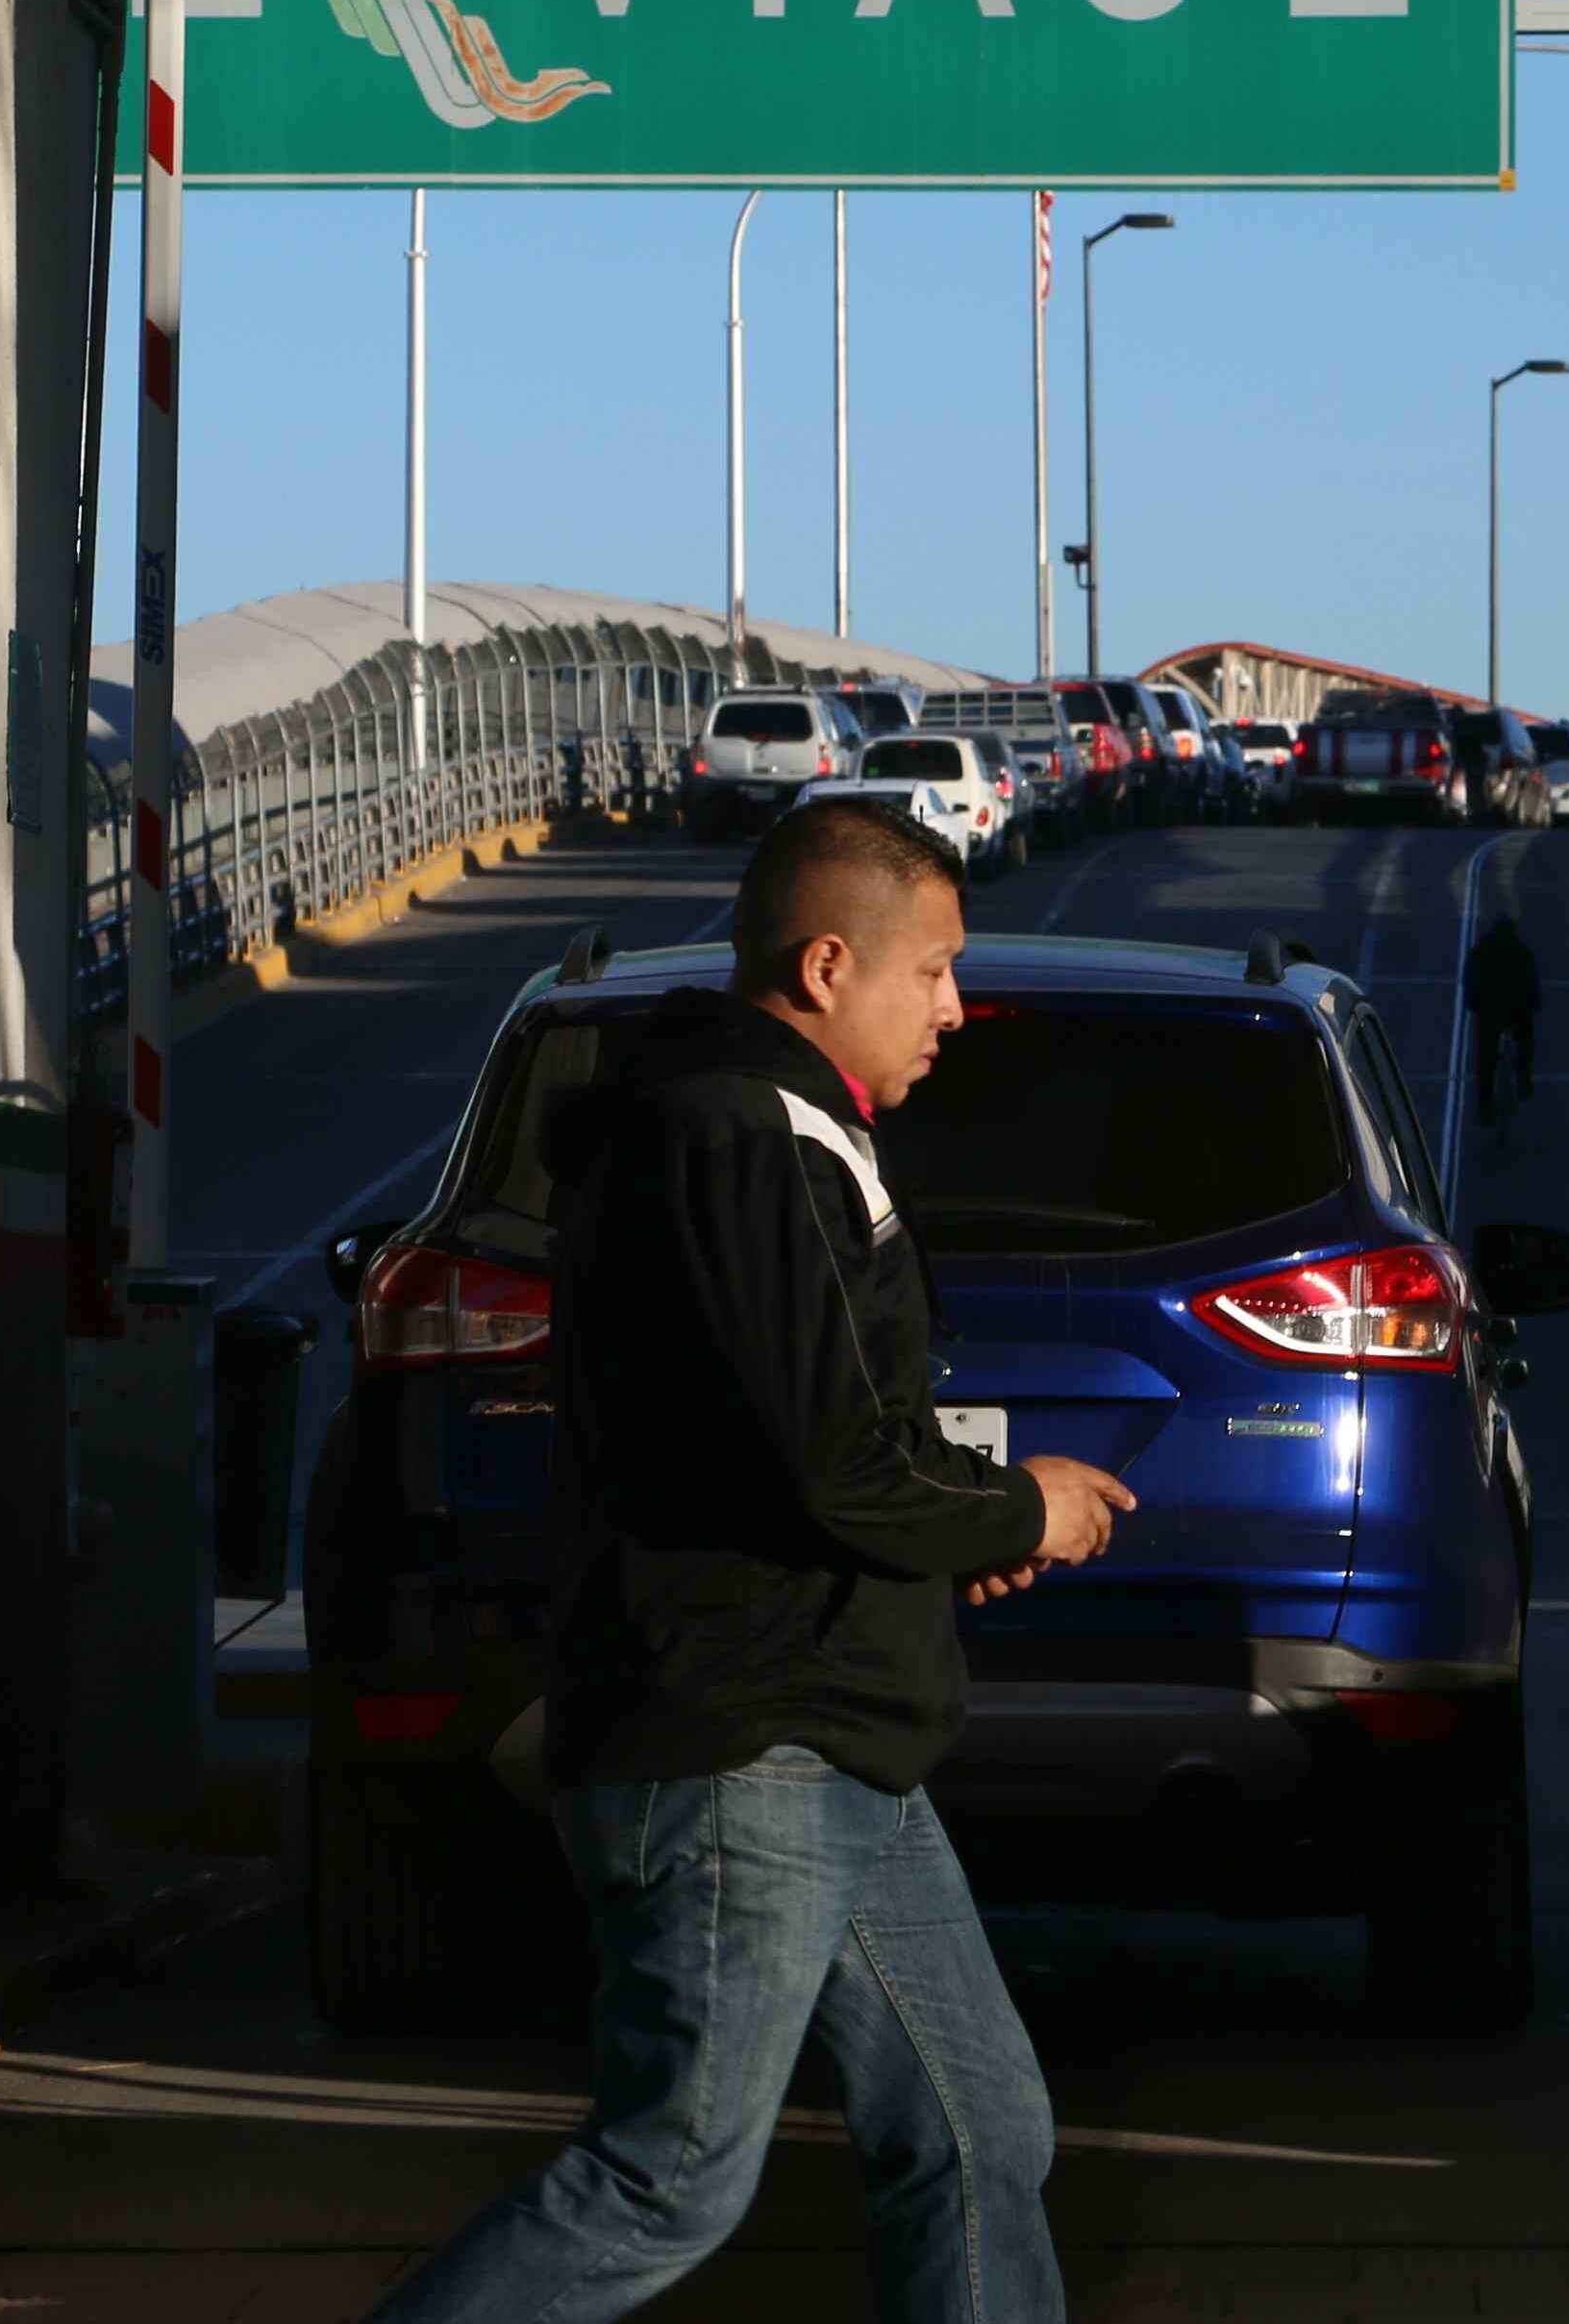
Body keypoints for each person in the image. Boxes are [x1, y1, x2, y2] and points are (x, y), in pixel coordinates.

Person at [371, 801, 1138, 2324]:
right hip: (746, 1744)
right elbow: (831, 1449)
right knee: (669, 2175)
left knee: (980, 2128)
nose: (955, 1009)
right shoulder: (739, 1132)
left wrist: (939, 1540)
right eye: (932, 972)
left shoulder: (770, 1126)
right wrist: (1015, 1510)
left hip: (827, 1730)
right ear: (828, 960)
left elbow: (812, 1434)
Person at [1463, 909, 1541, 1134]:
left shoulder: (1482, 949)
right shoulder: (1521, 951)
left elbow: (1470, 976)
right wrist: (1535, 1003)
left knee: (1485, 1060)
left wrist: (1472, 1001)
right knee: (1525, 1042)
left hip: (1489, 1011)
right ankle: (1523, 1079)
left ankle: (1485, 1107)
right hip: (1516, 1010)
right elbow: (1532, 980)